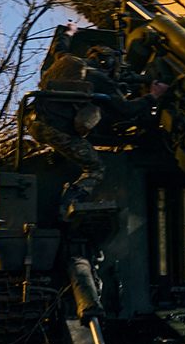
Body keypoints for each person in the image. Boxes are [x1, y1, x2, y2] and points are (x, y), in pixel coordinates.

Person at [27, 45, 162, 217]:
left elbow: (59, 50)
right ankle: (69, 204)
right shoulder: (97, 78)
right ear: (107, 61)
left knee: (76, 137)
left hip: (34, 123)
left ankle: (56, 156)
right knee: (95, 168)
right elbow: (125, 109)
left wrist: (68, 33)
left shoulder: (67, 62)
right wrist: (153, 96)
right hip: (57, 130)